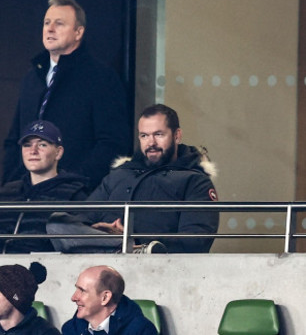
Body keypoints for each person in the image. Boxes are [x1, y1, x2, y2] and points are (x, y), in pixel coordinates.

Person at [48, 104, 219, 253]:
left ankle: (131, 249)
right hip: (100, 268)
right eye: (144, 136)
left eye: (158, 134)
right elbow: (81, 218)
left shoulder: (195, 181)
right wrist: (102, 234)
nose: (150, 142)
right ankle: (118, 248)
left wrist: (132, 239)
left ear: (177, 135)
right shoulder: (119, 175)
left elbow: (196, 241)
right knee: (57, 223)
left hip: (157, 265)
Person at [2, 0, 130, 191]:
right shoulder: (32, 78)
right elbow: (15, 139)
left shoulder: (101, 77)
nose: (50, 29)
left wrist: (74, 183)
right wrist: (11, 184)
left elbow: (113, 142)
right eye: (46, 23)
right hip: (26, 195)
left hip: (75, 198)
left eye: (59, 23)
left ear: (78, 32)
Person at [0, 120, 90, 253]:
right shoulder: (4, 194)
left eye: (42, 145)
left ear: (58, 152)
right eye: (27, 145)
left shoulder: (74, 196)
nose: (33, 151)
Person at [62, 266, 157, 335]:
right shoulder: (70, 329)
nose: (73, 297)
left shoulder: (142, 330)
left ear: (105, 298)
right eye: (76, 289)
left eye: (82, 290)